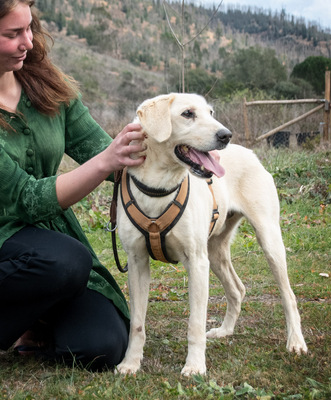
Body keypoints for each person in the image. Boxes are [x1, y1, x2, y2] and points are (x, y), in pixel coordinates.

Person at [0, 0, 145, 371]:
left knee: (102, 347)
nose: (28, 42)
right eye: (12, 34)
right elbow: (28, 199)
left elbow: (104, 151)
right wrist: (105, 162)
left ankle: (32, 320)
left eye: (29, 28)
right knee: (66, 260)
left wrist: (179, 153)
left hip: (49, 248)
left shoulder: (45, 84)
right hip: (9, 240)